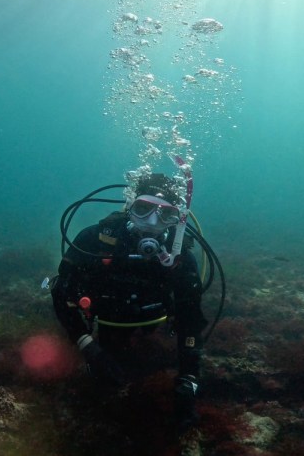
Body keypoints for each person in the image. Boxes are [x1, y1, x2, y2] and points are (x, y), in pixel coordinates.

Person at [50, 173, 207, 434]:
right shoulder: (95, 241)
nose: (152, 223)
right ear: (129, 206)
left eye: (165, 214)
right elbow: (60, 292)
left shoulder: (180, 259)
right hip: (106, 319)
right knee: (101, 383)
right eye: (143, 209)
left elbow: (191, 319)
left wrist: (189, 379)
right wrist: (88, 346)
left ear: (176, 220)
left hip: (151, 322)